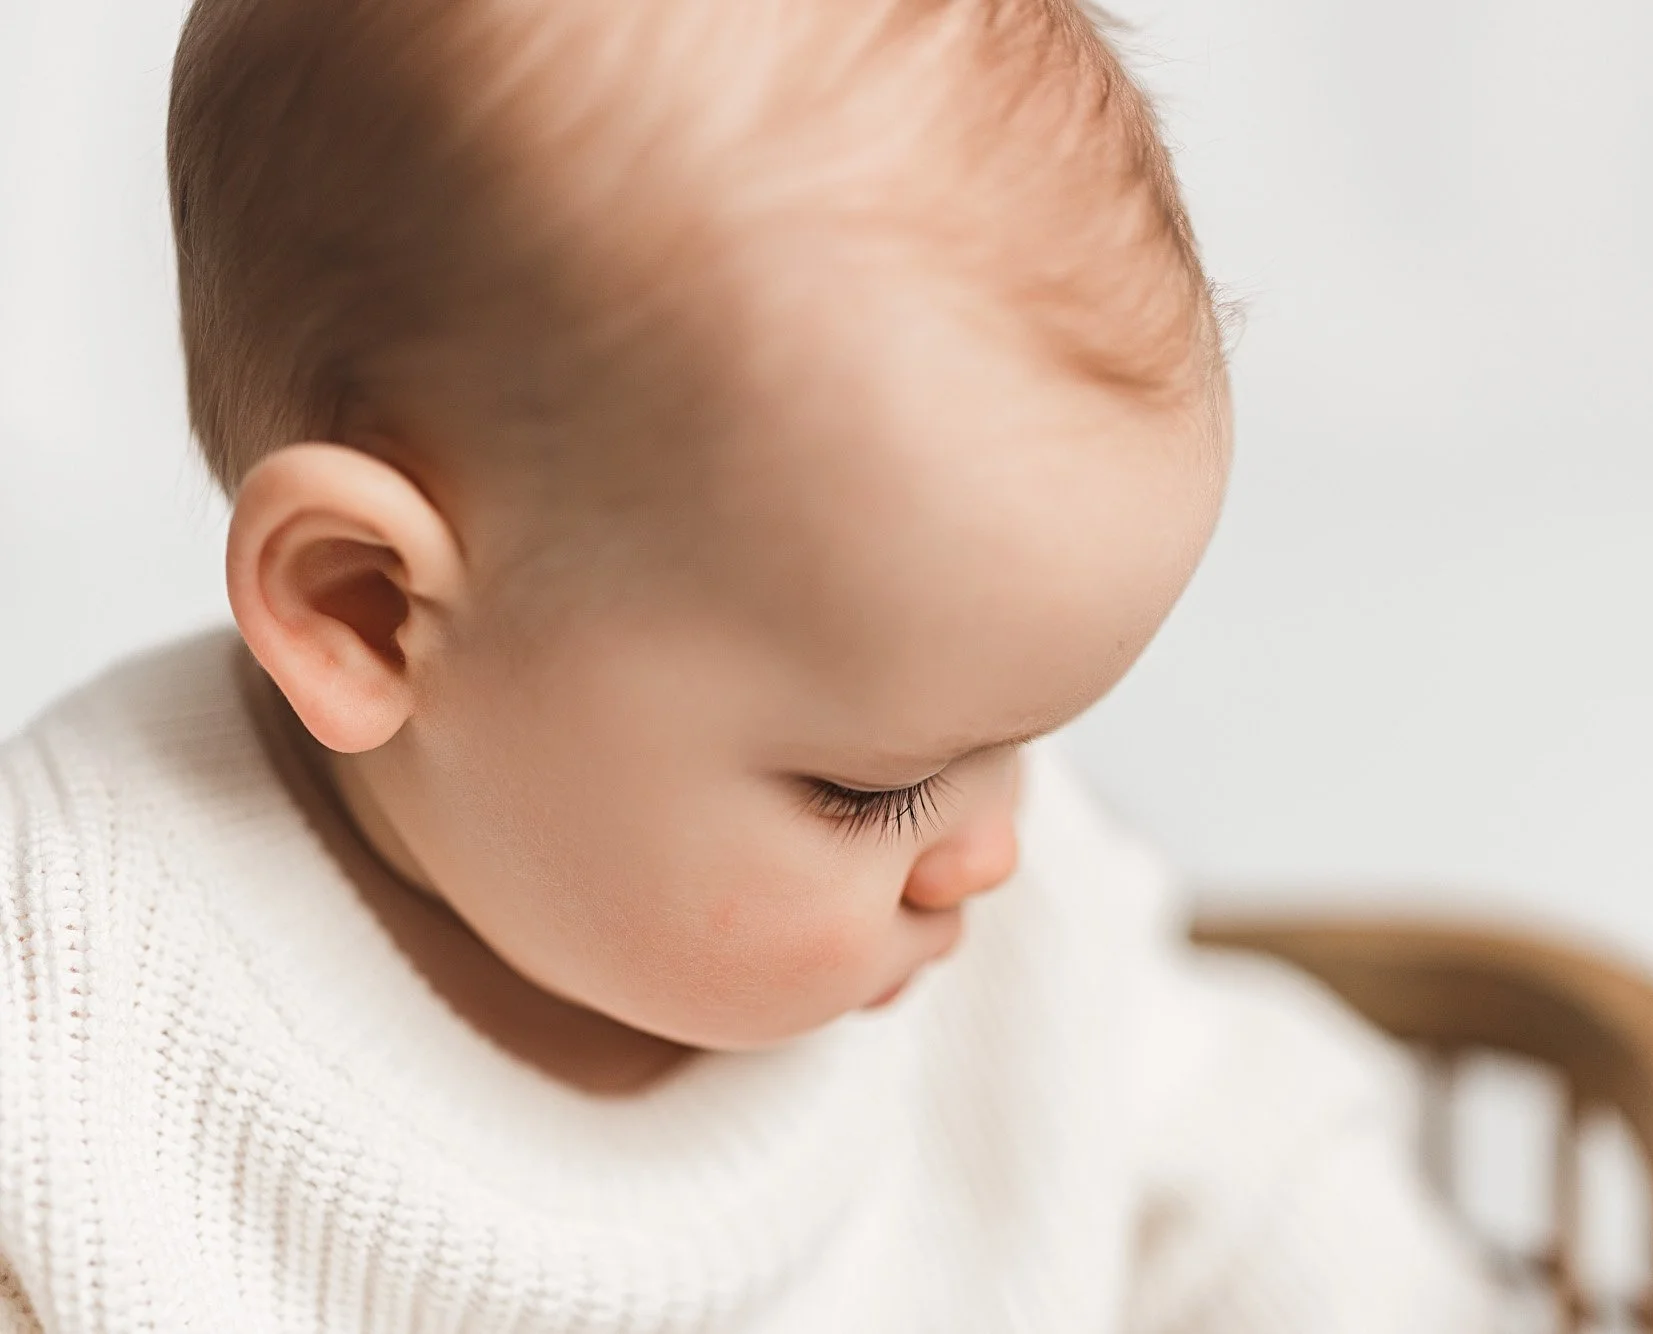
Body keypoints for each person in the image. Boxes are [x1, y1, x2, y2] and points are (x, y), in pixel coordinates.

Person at [0, 0, 1494, 1328]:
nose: (993, 848)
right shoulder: (68, 992)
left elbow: (1252, 1173)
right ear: (368, 612)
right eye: (868, 789)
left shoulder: (1013, 961)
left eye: (1017, 743)